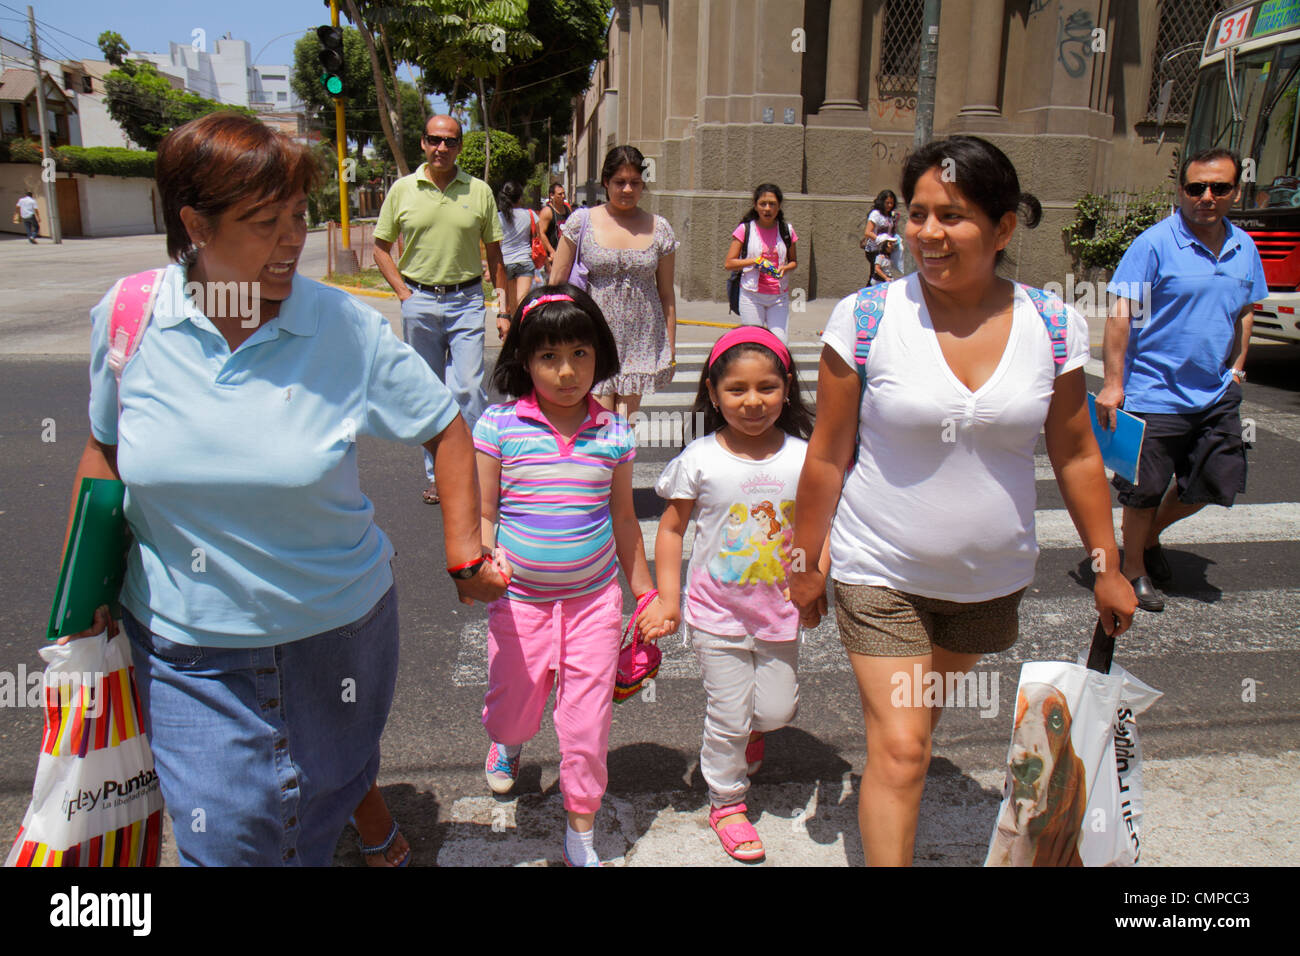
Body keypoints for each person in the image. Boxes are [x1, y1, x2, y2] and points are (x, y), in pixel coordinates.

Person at [59, 112, 507, 867]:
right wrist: (82, 589)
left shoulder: (341, 326)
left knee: (319, 796)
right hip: (183, 642)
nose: (292, 240)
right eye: (263, 221)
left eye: (297, 215)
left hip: (336, 632)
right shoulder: (133, 317)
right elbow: (105, 446)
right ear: (195, 224)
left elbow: (446, 423)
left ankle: (356, 809)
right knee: (231, 836)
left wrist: (465, 551)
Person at [788, 135, 1136, 866]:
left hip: (986, 584)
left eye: (953, 215)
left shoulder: (1051, 324)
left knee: (918, 725)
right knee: (905, 748)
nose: (928, 233)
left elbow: (1075, 452)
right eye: (917, 214)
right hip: (876, 568)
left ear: (1004, 227)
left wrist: (1108, 563)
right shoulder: (867, 317)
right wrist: (804, 559)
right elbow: (827, 452)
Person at [473, 284, 655, 867]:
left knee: (586, 723)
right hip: (520, 603)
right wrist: (482, 560)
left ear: (599, 353)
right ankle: (508, 740)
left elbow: (625, 521)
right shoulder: (500, 426)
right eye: (549, 356)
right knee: (514, 710)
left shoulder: (615, 433)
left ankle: (580, 831)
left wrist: (647, 592)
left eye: (580, 353)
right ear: (524, 360)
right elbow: (484, 512)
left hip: (594, 605)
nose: (567, 370)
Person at [637, 326, 823, 862]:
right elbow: (670, 532)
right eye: (736, 389)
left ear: (786, 389)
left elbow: (821, 525)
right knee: (727, 715)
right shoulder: (700, 459)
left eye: (766, 387)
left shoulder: (804, 457)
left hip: (779, 614)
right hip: (715, 614)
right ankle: (727, 802)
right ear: (714, 394)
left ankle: (754, 735)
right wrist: (668, 602)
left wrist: (816, 584)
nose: (752, 401)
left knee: (777, 710)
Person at [1095, 148, 1266, 613]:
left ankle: (1147, 539)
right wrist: (1113, 384)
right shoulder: (1154, 244)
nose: (1206, 197)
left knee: (1217, 480)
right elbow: (1120, 314)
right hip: (1154, 391)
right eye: (1196, 188)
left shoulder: (1243, 246)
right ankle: (1134, 569)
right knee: (1143, 489)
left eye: (1219, 188)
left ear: (1234, 191)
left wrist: (1237, 364)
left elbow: (1246, 308)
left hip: (1214, 392)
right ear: (1181, 190)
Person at [373, 114, 507, 505]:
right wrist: (403, 292)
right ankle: (438, 475)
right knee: (428, 391)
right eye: (434, 140)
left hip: (467, 300)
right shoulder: (402, 190)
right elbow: (381, 247)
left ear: (460, 146)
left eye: (450, 141)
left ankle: (478, 471)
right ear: (423, 143)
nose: (441, 148)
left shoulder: (479, 191)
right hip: (419, 300)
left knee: (466, 387)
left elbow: (496, 254)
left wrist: (502, 307)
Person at [549, 145, 678, 420]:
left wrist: (671, 346)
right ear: (606, 182)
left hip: (641, 340)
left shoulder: (660, 227)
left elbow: (666, 294)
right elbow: (556, 283)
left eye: (635, 182)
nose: (628, 189)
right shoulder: (581, 222)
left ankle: (621, 465)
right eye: (620, 182)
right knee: (600, 422)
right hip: (593, 335)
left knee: (624, 427)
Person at [723, 184, 799, 344]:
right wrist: (755, 261)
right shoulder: (745, 229)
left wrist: (785, 268)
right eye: (763, 204)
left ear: (779, 207)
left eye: (772, 204)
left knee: (780, 343)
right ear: (756, 206)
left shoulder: (787, 230)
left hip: (779, 297)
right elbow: (729, 263)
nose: (767, 208)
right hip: (751, 296)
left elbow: (794, 262)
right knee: (754, 343)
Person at [496, 180, 538, 316]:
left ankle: (512, 333)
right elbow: (538, 235)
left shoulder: (499, 217)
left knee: (510, 306)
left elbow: (496, 243)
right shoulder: (529, 215)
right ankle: (521, 331)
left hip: (506, 263)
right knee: (522, 302)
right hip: (524, 261)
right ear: (520, 197)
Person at [862, 189, 902, 282]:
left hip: (885, 249)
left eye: (891, 203)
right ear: (882, 202)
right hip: (874, 249)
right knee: (876, 274)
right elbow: (868, 232)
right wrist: (880, 239)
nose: (889, 205)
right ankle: (868, 294)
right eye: (887, 203)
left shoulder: (890, 215)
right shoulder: (875, 214)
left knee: (883, 274)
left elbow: (890, 231)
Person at [537, 181, 571, 267]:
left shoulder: (567, 209)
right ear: (552, 195)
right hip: (553, 258)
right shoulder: (547, 212)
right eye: (560, 194)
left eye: (564, 194)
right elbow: (541, 233)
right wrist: (552, 251)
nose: (563, 196)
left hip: (567, 255)